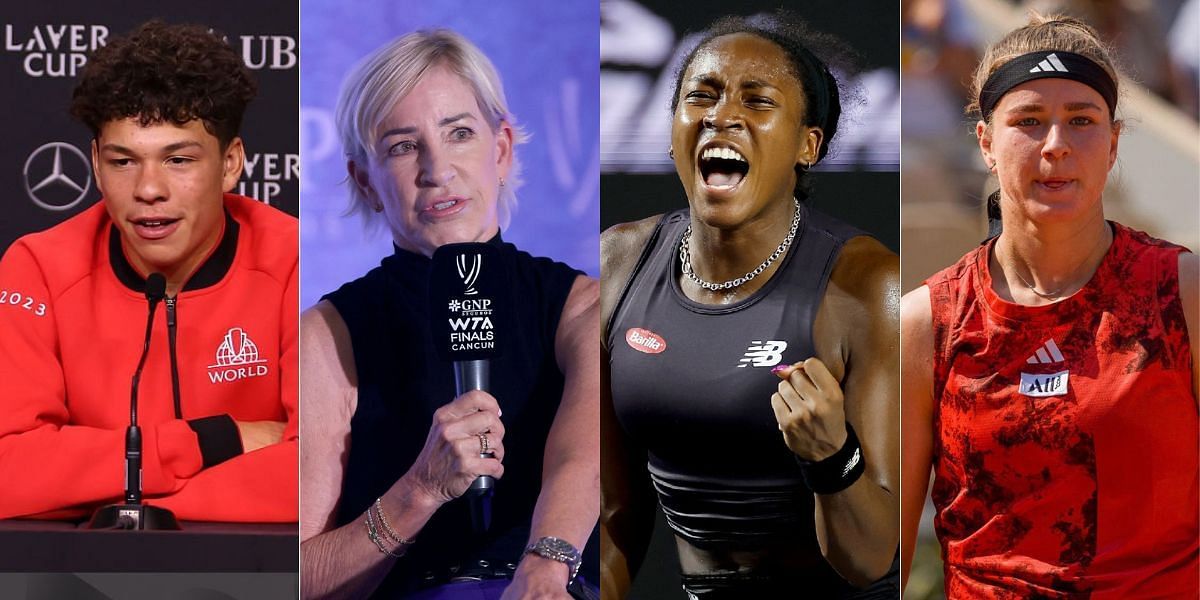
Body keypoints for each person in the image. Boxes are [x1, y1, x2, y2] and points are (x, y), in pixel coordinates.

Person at [601, 13, 900, 599]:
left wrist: (831, 456)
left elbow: (869, 559)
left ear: (807, 145)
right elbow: (613, 517)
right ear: (673, 131)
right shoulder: (617, 264)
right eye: (701, 97)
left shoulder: (867, 286)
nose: (722, 115)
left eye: (758, 102)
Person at [900, 13, 1199, 598]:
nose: (1056, 145)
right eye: (1029, 121)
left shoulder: (1183, 291)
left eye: (1081, 121)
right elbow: (886, 556)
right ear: (986, 142)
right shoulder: (926, 319)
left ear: (1112, 144)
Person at [299, 30, 599, 600]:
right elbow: (301, 581)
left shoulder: (583, 307)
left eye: (459, 133)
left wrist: (543, 570)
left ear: (502, 149)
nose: (438, 170)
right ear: (366, 180)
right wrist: (420, 490)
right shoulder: (327, 337)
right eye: (402, 147)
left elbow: (581, 461)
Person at [0, 21, 298, 522]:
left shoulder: (293, 259)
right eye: (123, 162)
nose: (149, 189)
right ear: (95, 164)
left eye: (178, 159)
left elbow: (318, 472)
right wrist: (211, 441)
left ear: (230, 164)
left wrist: (125, 509)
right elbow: (8, 470)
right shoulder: (39, 267)